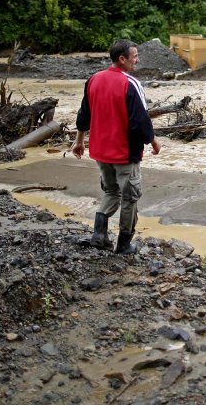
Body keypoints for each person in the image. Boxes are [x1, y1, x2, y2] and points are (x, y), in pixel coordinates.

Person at [71, 39, 161, 254]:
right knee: (130, 198)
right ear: (122, 59)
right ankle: (124, 244)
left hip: (100, 151)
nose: (137, 60)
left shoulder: (93, 79)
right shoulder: (130, 83)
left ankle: (99, 235)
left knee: (111, 192)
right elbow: (140, 119)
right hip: (124, 153)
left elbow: (84, 113)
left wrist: (79, 140)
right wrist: (153, 140)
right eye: (135, 56)